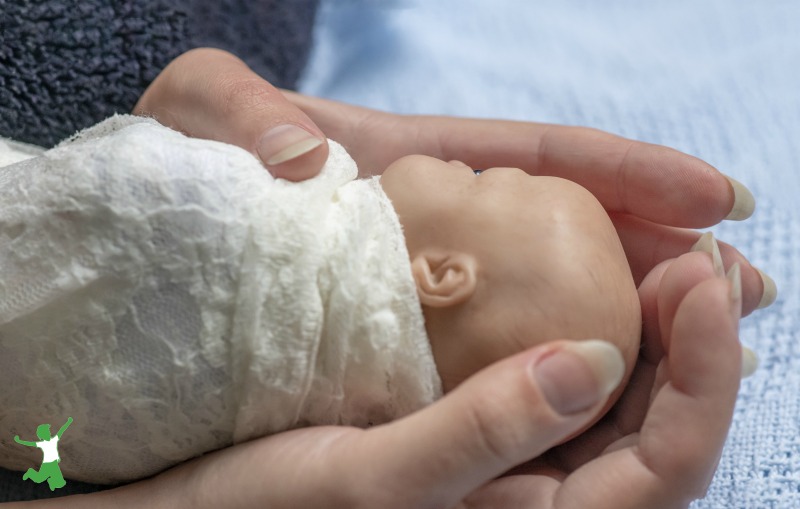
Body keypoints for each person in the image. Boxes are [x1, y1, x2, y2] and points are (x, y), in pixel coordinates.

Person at [0, 114, 640, 483]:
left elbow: (141, 196)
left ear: (441, 276)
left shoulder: (282, 238)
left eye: (478, 181)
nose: (465, 165)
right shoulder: (315, 425)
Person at [13, 418, 73, 492]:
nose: (49, 433)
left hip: (54, 464)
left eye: (48, 431)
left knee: (61, 482)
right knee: (39, 479)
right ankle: (30, 472)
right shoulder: (42, 444)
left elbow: (62, 430)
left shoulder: (54, 440)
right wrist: (19, 441)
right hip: (47, 465)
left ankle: (52, 482)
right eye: (46, 432)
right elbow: (29, 443)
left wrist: (68, 422)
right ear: (42, 435)